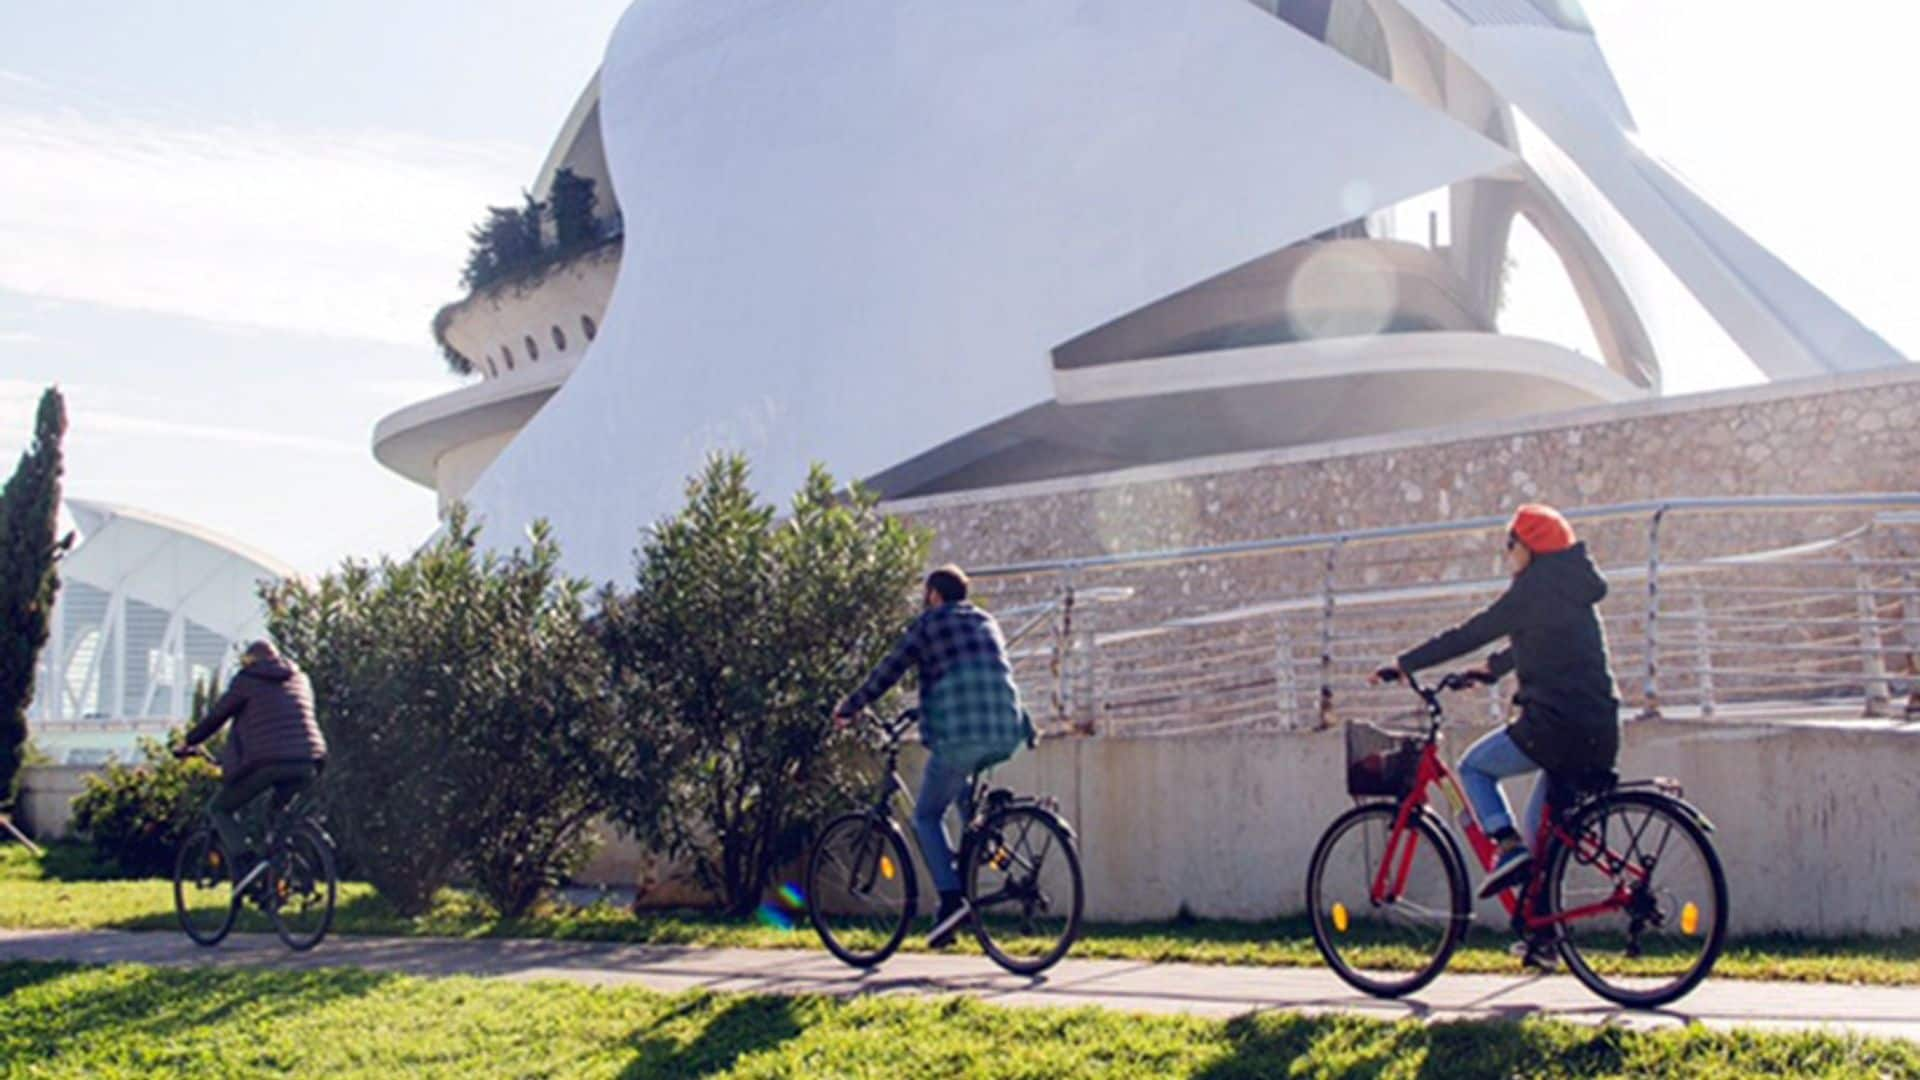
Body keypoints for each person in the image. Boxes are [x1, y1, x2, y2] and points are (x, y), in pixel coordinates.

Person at [1373, 504, 1620, 910]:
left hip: (1554, 729)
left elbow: (1472, 632)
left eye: (1511, 544)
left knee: (1475, 767)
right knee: (1542, 846)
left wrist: (1405, 663)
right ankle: (1542, 940)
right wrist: (1491, 670)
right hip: (1597, 728)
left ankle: (1505, 846)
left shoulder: (1534, 588)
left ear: (1530, 547)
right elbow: (1545, 637)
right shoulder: (1572, 586)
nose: (1507, 554)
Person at [835, 565, 1034, 948]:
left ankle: (951, 901)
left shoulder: (929, 624)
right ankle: (984, 846)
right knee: (963, 801)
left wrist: (851, 705)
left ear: (934, 595)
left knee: (926, 815)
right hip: (1006, 729)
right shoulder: (985, 620)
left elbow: (889, 670)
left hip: (961, 735)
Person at [174, 640, 328, 882]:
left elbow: (218, 716)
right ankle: (277, 872)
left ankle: (245, 861)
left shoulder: (247, 679)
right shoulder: (300, 678)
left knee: (219, 808)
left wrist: (190, 740)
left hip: (268, 762)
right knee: (277, 814)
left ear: (250, 661)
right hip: (309, 760)